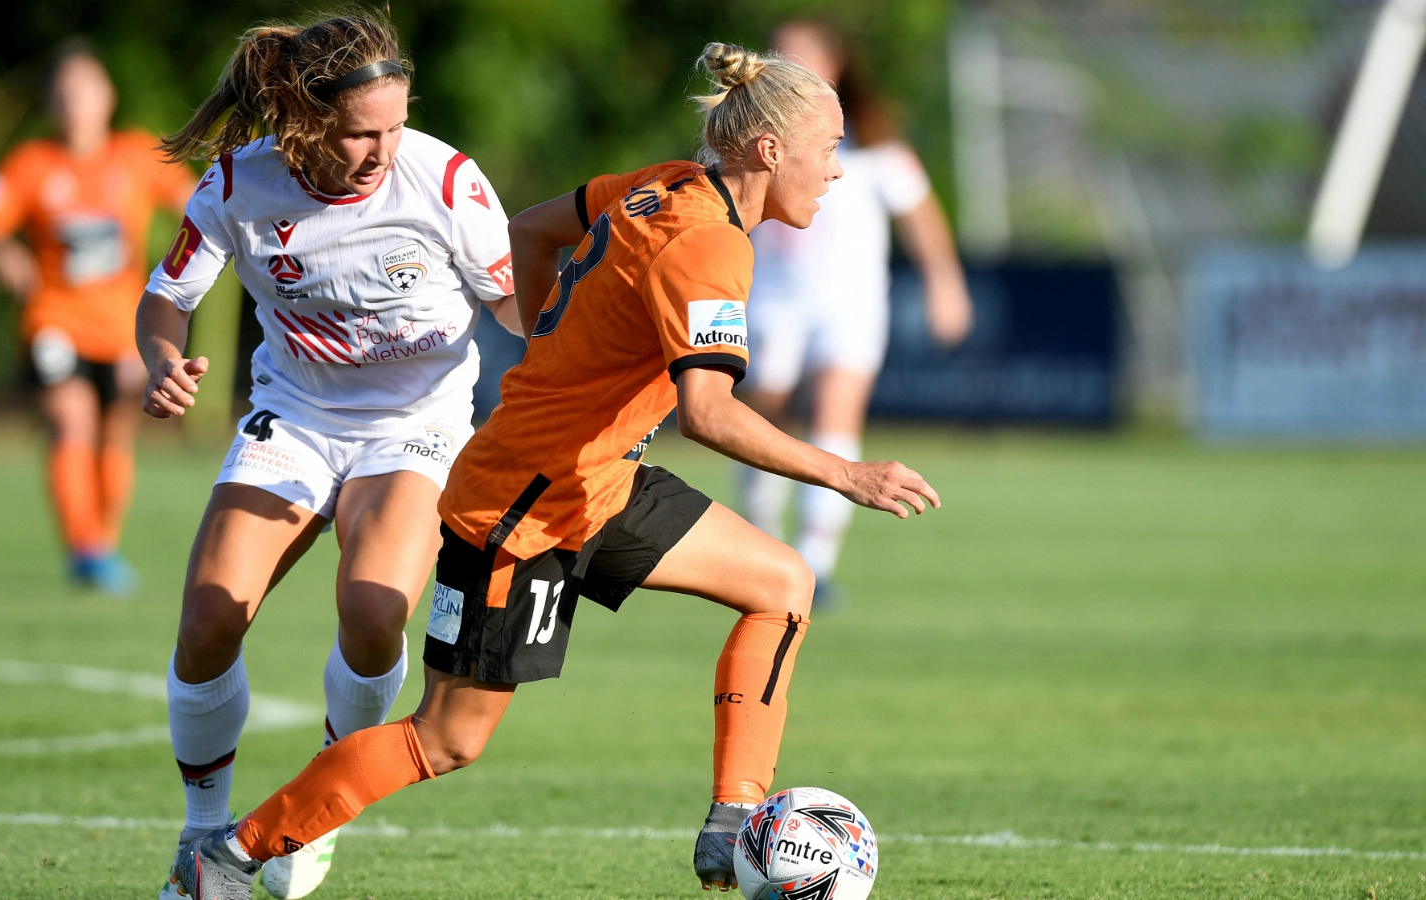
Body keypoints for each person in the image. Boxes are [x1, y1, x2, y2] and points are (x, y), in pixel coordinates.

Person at [167, 41, 942, 900]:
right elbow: (708, 414)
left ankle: (733, 820)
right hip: (523, 504)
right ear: (771, 151)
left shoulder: (664, 184)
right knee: (447, 739)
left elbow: (531, 229)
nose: (836, 171)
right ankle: (228, 858)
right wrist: (849, 475)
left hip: (595, 479)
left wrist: (555, 347)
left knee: (781, 584)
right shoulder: (709, 246)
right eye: (829, 149)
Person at [136, 13, 521, 900]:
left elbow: (513, 304)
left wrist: (568, 342)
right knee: (207, 622)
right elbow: (166, 299)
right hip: (297, 419)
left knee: (372, 609)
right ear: (304, 119)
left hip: (417, 424)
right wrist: (163, 361)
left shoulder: (446, 180)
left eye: (393, 126)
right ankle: (204, 839)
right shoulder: (240, 184)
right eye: (359, 132)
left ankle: (319, 808)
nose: (381, 148)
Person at [740, 20, 973, 609]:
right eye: (782, 52)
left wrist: (946, 284)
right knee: (763, 418)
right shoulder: (753, 133)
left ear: (836, 63)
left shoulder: (873, 143)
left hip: (849, 304)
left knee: (837, 416)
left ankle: (816, 567)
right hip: (772, 297)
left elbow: (921, 217)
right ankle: (762, 548)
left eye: (805, 52)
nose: (792, 60)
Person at [0, 42, 197, 595]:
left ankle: (103, 544)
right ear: (51, 102)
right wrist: (3, 252)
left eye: (85, 91)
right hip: (54, 320)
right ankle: (84, 549)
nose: (75, 104)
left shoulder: (137, 156)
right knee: (72, 422)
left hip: (123, 329)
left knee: (115, 434)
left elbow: (200, 204)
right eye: (64, 94)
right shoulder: (32, 165)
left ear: (107, 97)